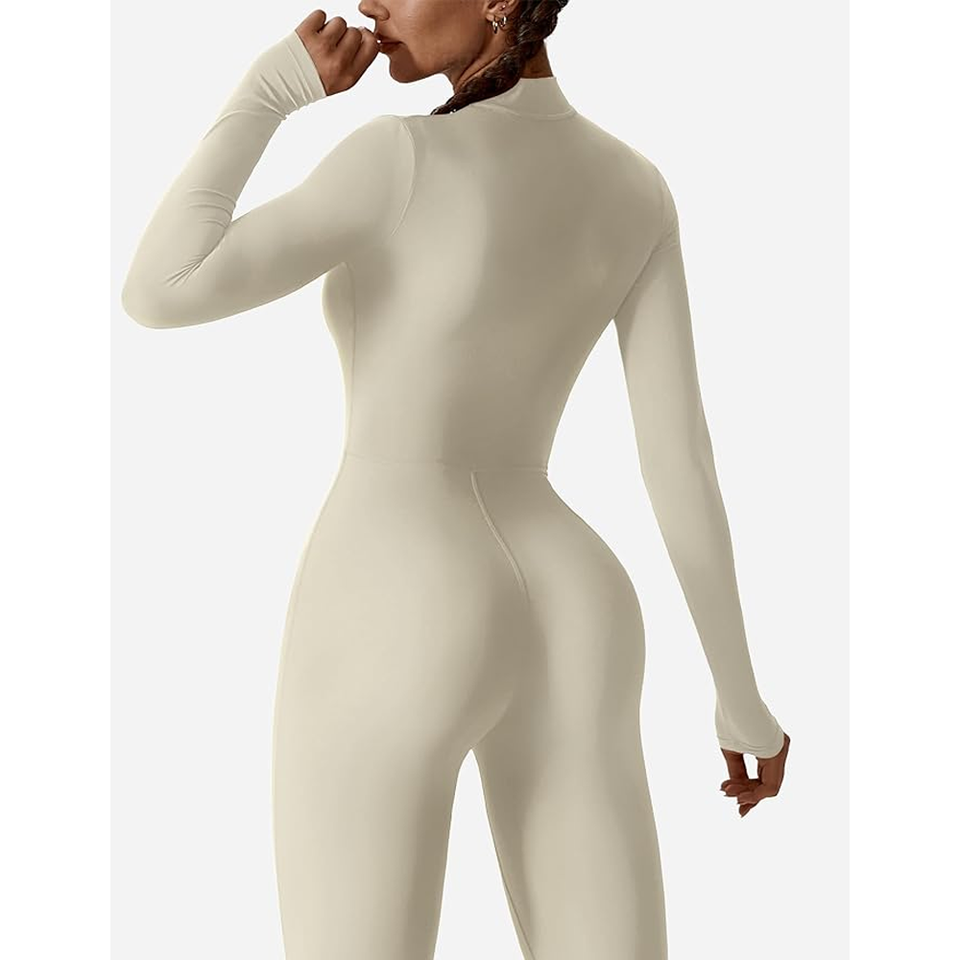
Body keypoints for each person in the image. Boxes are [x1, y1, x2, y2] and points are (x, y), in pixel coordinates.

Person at [121, 4, 791, 958]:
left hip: (395, 579)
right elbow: (678, 456)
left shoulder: (396, 157)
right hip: (576, 596)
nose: (371, 5)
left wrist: (270, 93)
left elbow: (161, 289)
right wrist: (740, 698)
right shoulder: (636, 186)